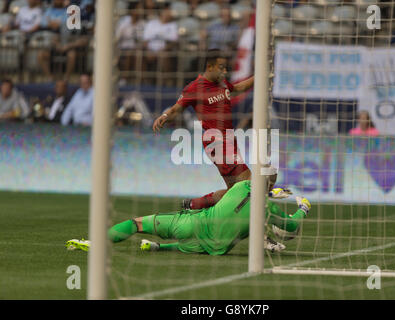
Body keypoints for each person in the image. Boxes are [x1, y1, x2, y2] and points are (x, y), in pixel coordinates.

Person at [66, 173, 312, 255]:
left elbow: (237, 196)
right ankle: (157, 249)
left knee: (137, 223)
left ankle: (96, 243)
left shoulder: (238, 186)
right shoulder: (270, 208)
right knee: (252, 224)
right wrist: (303, 208)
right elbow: (290, 227)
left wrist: (194, 203)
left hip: (194, 223)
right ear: (272, 185)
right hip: (217, 247)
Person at [152, 49, 255, 211]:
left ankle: (194, 204)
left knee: (234, 191)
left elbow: (239, 87)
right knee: (250, 183)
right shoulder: (195, 87)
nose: (225, 71)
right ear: (210, 67)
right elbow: (176, 109)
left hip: (228, 141)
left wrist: (259, 76)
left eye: (226, 68)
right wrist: (164, 115)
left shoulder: (222, 84)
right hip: (217, 143)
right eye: (222, 67)